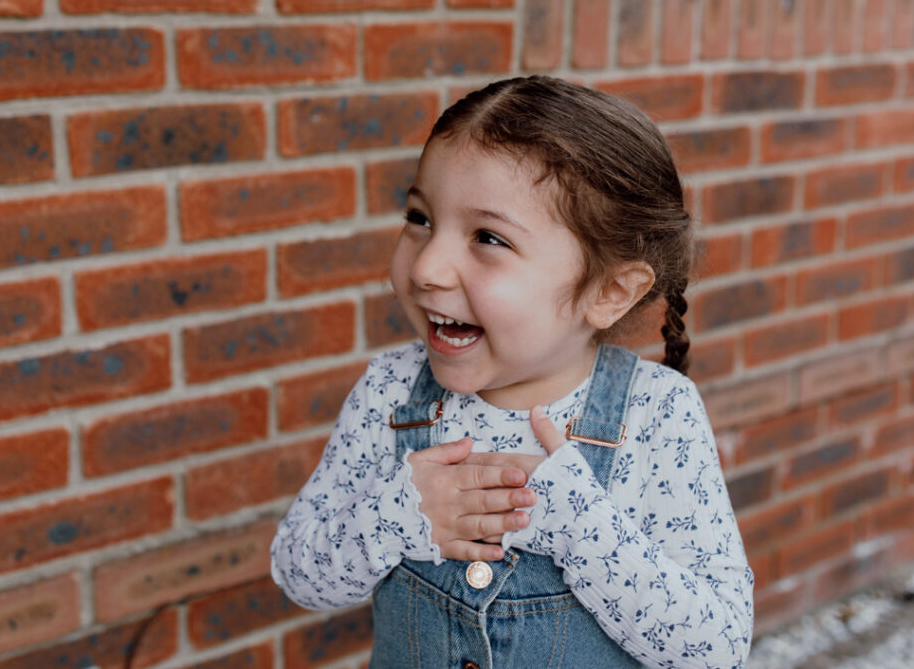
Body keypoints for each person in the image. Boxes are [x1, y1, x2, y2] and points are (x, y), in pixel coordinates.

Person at [271, 76, 754, 668]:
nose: (427, 267)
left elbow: (716, 649)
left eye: (488, 237)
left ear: (609, 291)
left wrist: (581, 526)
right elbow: (298, 573)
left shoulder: (655, 413)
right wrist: (395, 515)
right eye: (420, 217)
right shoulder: (391, 393)